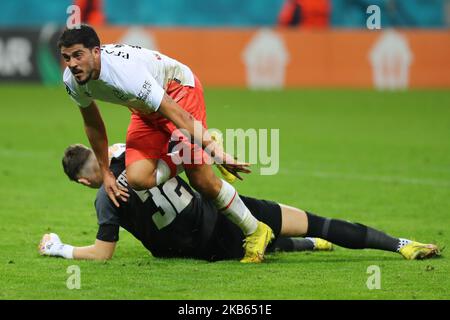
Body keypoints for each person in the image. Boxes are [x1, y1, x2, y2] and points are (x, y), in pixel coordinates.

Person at [58, 24, 272, 263]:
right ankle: (200, 147)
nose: (73, 64)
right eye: (67, 58)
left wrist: (214, 151)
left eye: (78, 55)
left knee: (202, 181)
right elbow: (93, 124)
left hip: (178, 91)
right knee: (137, 178)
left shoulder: (126, 74)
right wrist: (106, 173)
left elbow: (178, 115)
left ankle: (256, 231)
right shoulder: (72, 80)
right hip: (143, 110)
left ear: (96, 52)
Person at [38, 144, 440, 262]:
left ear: (79, 179)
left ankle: (302, 245)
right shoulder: (132, 152)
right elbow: (180, 148)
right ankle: (401, 245)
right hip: (223, 209)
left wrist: (59, 248)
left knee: (259, 242)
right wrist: (214, 159)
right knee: (312, 221)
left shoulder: (104, 204)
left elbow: (102, 254)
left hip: (207, 249)